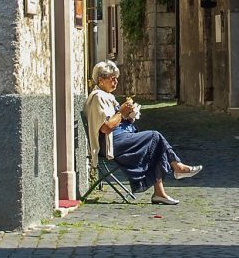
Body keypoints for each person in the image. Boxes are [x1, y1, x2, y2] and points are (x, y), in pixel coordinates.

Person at [83, 60, 203, 205]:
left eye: (116, 78)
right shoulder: (98, 97)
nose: (115, 81)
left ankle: (161, 191)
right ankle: (177, 167)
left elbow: (116, 119)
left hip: (121, 137)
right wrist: (121, 112)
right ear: (101, 80)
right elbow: (106, 127)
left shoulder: (107, 96)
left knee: (155, 144)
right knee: (154, 136)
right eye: (112, 78)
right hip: (112, 142)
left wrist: (128, 115)